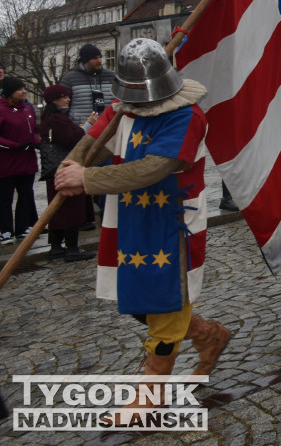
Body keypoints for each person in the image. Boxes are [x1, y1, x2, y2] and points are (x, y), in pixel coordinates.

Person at [54, 38, 230, 396]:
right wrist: (70, 164)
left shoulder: (187, 114)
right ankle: (208, 334)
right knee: (137, 300)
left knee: (166, 299)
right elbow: (95, 140)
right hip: (129, 215)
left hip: (172, 218)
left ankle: (150, 393)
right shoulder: (124, 108)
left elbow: (156, 167)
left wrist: (86, 179)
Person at [39, 85, 96, 261]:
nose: (68, 99)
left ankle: (56, 247)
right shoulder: (56, 118)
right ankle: (72, 249)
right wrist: (88, 125)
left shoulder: (50, 117)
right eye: (64, 97)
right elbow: (71, 139)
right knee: (71, 208)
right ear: (55, 99)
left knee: (57, 208)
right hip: (65, 167)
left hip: (56, 169)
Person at [0, 76, 40, 244]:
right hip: (7, 163)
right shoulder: (1, 110)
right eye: (19, 89)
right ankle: (6, 230)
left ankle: (23, 228)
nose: (24, 91)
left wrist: (39, 142)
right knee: (5, 198)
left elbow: (35, 132)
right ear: (10, 93)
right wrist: (15, 145)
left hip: (27, 161)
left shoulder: (27, 109)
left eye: (24, 88)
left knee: (26, 195)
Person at [59, 43, 116, 127]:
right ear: (85, 60)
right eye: (95, 58)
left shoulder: (112, 76)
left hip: (107, 127)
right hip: (80, 127)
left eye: (100, 57)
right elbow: (61, 105)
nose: (99, 60)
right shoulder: (70, 79)